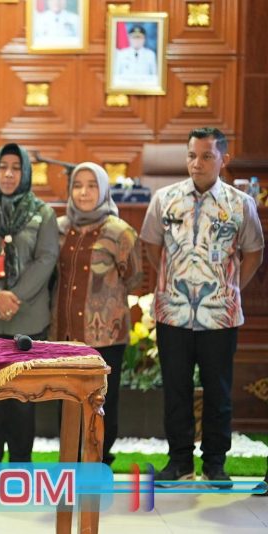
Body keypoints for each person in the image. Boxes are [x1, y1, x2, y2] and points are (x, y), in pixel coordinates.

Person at [141, 127, 264, 487]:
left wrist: (230, 287)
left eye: (207, 156)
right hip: (173, 312)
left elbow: (254, 253)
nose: (197, 163)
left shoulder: (240, 204)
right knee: (176, 390)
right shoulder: (164, 199)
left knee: (218, 392)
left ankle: (215, 463)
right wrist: (173, 279)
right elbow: (152, 246)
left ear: (224, 159)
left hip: (219, 315)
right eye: (192, 156)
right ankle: (179, 461)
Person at [0, 143, 59, 464]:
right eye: (3, 167)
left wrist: (15, 297)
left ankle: (21, 465)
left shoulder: (43, 213)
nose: (8, 174)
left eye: (16, 168)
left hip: (28, 318)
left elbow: (47, 258)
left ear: (26, 173)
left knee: (24, 399)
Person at [51, 162, 142, 465]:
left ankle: (100, 462)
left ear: (103, 190)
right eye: (78, 185)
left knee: (103, 402)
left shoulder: (120, 232)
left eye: (92, 186)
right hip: (64, 334)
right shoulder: (59, 228)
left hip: (105, 335)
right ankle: (69, 462)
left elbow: (134, 277)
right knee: (65, 400)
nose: (84, 192)